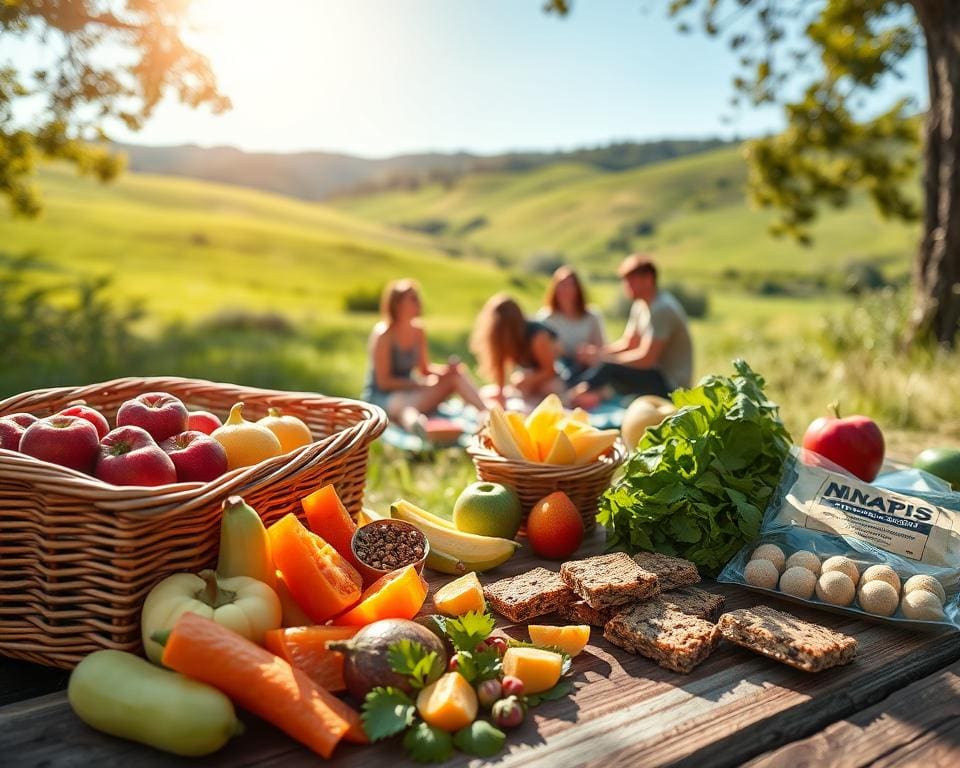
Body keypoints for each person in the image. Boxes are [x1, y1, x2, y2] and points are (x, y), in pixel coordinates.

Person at [362, 279, 486, 433]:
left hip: (410, 393)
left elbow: (425, 369)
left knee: (455, 376)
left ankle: (486, 414)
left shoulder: (418, 331)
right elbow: (384, 383)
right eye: (413, 299)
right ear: (398, 304)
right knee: (405, 405)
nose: (419, 303)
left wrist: (447, 371)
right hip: (384, 398)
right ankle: (417, 426)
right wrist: (419, 384)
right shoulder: (384, 335)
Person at [572, 254, 693, 406]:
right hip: (655, 377)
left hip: (672, 387)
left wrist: (602, 359)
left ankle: (573, 395)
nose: (626, 285)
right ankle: (577, 392)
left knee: (608, 369)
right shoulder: (640, 305)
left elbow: (647, 359)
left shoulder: (662, 308)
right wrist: (597, 353)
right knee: (605, 366)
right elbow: (628, 343)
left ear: (648, 279)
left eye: (630, 280)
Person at [470, 293, 564, 408]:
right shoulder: (502, 338)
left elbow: (550, 371)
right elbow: (500, 366)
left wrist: (527, 380)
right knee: (486, 393)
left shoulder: (537, 336)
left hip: (556, 377)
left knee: (545, 389)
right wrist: (501, 395)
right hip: (529, 377)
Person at [536, 265, 605, 381]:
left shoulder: (592, 317)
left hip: (586, 370)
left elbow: (601, 348)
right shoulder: (545, 318)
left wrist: (590, 352)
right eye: (561, 285)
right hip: (556, 372)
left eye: (570, 285)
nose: (565, 290)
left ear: (578, 289)